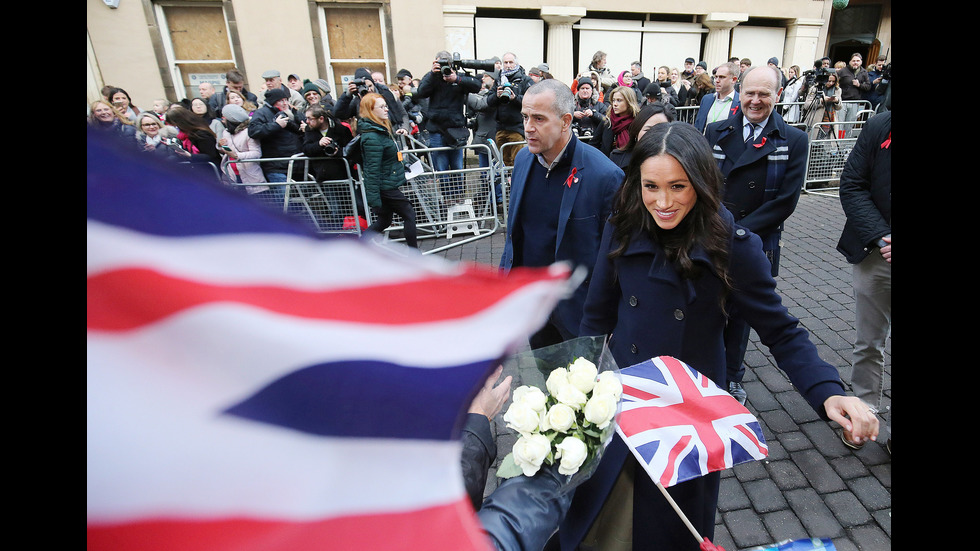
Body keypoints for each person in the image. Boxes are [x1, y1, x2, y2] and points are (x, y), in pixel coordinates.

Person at [566, 121, 879, 551]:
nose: (663, 201)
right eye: (650, 186)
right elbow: (596, 318)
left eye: (678, 186)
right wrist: (575, 389)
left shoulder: (732, 245)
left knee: (666, 531)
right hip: (623, 399)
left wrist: (829, 393)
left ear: (701, 181)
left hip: (688, 417)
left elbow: (782, 331)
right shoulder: (622, 228)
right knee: (600, 517)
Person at [703, 65, 809, 405]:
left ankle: (732, 376)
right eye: (750, 92)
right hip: (711, 235)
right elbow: (702, 184)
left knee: (741, 312)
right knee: (706, 304)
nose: (756, 100)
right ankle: (704, 369)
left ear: (777, 96)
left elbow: (785, 201)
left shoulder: (794, 139)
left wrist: (737, 231)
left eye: (764, 93)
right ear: (740, 93)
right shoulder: (716, 131)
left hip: (755, 241)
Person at [499, 79, 624, 349]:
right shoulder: (522, 160)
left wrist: (610, 319)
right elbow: (515, 233)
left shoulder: (605, 176)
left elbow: (614, 257)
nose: (528, 127)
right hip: (534, 307)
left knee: (584, 388)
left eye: (539, 119)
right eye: (525, 117)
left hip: (579, 314)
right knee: (547, 381)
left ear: (566, 121)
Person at [836, 109, 891, 454]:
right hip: (878, 254)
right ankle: (864, 410)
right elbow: (852, 184)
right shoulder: (879, 125)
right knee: (868, 342)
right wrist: (883, 236)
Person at [416, 51, 482, 205]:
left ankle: (459, 195)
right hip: (436, 129)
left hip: (456, 128)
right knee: (442, 166)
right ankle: (447, 198)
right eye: (440, 63)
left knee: (458, 166)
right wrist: (433, 74)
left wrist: (457, 79)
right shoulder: (431, 77)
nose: (444, 67)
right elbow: (421, 92)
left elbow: (477, 86)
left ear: (452, 64)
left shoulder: (457, 76)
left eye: (446, 63)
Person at [357, 92, 418, 248]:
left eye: (386, 106)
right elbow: (372, 169)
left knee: (384, 220)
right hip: (385, 186)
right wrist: (374, 200)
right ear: (371, 110)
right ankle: (414, 254)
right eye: (381, 107)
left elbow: (385, 159)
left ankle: (357, 248)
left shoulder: (380, 131)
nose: (386, 109)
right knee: (409, 213)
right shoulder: (372, 137)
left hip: (386, 183)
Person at [302, 105, 356, 229]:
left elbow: (351, 149)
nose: (307, 122)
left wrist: (339, 152)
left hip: (343, 173)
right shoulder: (310, 131)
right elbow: (306, 149)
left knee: (351, 206)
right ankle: (339, 235)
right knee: (336, 210)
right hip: (326, 176)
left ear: (321, 119)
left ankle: (353, 233)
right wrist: (318, 144)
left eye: (310, 118)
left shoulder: (341, 129)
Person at [247, 86, 306, 186]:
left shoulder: (292, 112)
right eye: (281, 101)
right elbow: (253, 131)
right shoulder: (262, 113)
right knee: (283, 199)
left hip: (296, 165)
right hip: (276, 167)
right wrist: (276, 125)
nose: (285, 103)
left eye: (286, 100)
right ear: (272, 102)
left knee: (298, 199)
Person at [487, 52, 532, 168]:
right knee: (503, 164)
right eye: (505, 62)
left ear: (516, 63)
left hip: (517, 129)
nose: (508, 65)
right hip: (500, 128)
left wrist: (515, 98)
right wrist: (497, 95)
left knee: (518, 163)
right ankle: (506, 185)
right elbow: (488, 101)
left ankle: (517, 184)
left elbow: (532, 101)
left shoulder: (524, 80)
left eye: (510, 62)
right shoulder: (498, 80)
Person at [217, 103, 270, 197]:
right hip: (232, 175)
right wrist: (221, 146)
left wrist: (237, 156)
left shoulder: (248, 132)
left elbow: (256, 153)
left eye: (224, 117)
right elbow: (226, 149)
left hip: (250, 175)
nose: (222, 119)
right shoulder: (226, 132)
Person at [466, 71, 501, 207]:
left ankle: (496, 199)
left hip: (493, 140)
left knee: (496, 173)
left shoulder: (494, 96)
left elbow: (481, 105)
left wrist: (464, 91)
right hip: (483, 140)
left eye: (486, 77)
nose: (483, 79)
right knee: (484, 174)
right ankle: (489, 198)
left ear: (493, 80)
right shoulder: (485, 95)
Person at [608, 102, 675, 170]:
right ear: (637, 131)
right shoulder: (618, 158)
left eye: (660, 129)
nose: (654, 134)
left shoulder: (676, 162)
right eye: (648, 130)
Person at [591, 85, 640, 158]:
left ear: (629, 102)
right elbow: (593, 145)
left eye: (619, 100)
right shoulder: (607, 122)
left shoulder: (637, 123)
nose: (615, 104)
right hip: (608, 165)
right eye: (613, 100)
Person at [694, 62, 740, 133]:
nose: (717, 81)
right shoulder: (707, 99)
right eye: (716, 77)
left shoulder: (740, 102)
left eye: (722, 77)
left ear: (733, 79)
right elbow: (698, 125)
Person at [801, 70, 843, 141]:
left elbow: (839, 107)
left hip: (830, 120)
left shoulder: (837, 90)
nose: (830, 83)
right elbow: (807, 105)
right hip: (816, 119)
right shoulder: (815, 88)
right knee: (812, 143)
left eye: (833, 81)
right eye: (829, 81)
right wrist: (821, 101)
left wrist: (836, 101)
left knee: (824, 145)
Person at [837, 53, 872, 136]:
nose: (855, 62)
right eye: (853, 61)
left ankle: (844, 145)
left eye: (857, 61)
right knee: (839, 125)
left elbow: (868, 86)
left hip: (855, 102)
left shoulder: (864, 72)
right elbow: (835, 83)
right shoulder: (843, 71)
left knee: (849, 125)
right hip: (843, 102)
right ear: (850, 61)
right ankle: (837, 144)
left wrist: (859, 85)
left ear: (861, 62)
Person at [571, 76, 607, 145]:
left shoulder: (599, 105)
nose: (585, 91)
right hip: (575, 142)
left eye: (587, 88)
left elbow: (607, 121)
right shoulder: (571, 105)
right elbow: (561, 119)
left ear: (591, 90)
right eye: (582, 88)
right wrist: (573, 115)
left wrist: (594, 114)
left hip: (595, 143)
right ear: (578, 91)